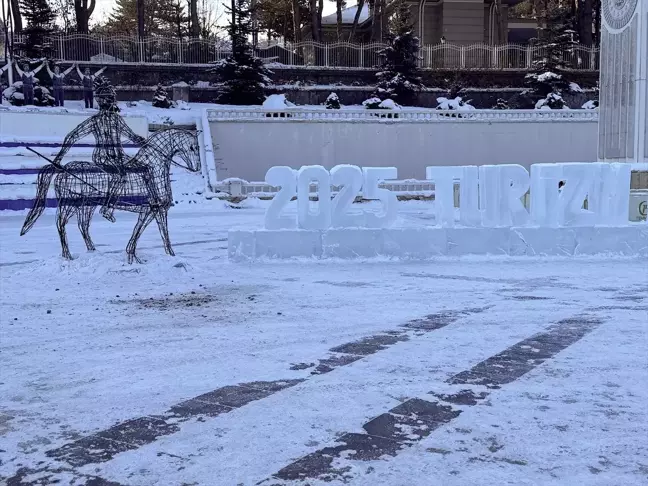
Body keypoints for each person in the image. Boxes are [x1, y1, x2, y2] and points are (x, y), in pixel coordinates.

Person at [51, 82, 148, 222]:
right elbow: (72, 136)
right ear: (102, 100)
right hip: (103, 157)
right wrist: (59, 158)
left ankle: (146, 201)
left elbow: (131, 135)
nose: (111, 102)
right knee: (120, 176)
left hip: (120, 156)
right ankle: (108, 207)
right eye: (108, 99)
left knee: (144, 168)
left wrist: (142, 141)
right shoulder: (95, 121)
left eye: (111, 99)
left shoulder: (117, 119)